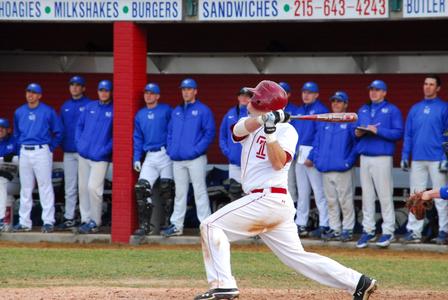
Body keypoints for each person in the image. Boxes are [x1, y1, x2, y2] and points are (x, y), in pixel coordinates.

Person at [194, 80, 377, 300]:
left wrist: (271, 132)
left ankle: (223, 285)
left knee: (210, 225)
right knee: (297, 257)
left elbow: (278, 162)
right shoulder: (248, 122)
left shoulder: (288, 131)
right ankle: (358, 281)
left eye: (254, 97)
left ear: (263, 101)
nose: (249, 100)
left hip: (268, 198)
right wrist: (265, 120)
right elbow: (238, 130)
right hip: (267, 202)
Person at [162, 78, 215, 237]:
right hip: (177, 158)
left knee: (199, 191)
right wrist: (171, 150)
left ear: (195, 91)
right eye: (183, 89)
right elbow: (170, 132)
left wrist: (195, 150)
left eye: (189, 89)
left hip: (195, 158)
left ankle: (206, 225)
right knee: (180, 193)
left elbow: (209, 133)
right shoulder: (176, 110)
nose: (186, 92)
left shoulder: (203, 110)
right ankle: (177, 225)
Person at [355, 80, 404, 248]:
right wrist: (358, 132)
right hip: (365, 156)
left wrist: (378, 130)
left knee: (384, 195)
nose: (373, 92)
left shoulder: (392, 109)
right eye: (372, 90)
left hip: (382, 156)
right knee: (367, 196)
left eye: (377, 90)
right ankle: (368, 230)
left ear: (384, 92)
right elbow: (355, 130)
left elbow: (398, 133)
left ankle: (388, 230)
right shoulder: (363, 109)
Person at [401, 75, 448, 244]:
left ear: (438, 88)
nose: (427, 87)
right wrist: (405, 155)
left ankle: (444, 231)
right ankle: (414, 231)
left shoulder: (444, 108)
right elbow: (408, 134)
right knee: (416, 196)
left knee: (441, 196)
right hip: (418, 158)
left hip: (437, 158)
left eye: (431, 84)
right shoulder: (415, 108)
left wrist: (445, 157)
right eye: (425, 84)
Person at [13, 83, 63, 233]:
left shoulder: (48, 111)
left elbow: (59, 132)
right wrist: (19, 150)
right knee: (26, 188)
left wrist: (50, 148)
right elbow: (16, 134)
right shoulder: (19, 111)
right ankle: (24, 222)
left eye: (34, 93)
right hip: (25, 151)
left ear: (40, 95)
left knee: (45, 186)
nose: (30, 95)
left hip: (41, 150)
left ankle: (48, 221)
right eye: (28, 91)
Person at [309, 91, 358, 242]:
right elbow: (317, 142)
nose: (336, 104)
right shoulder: (325, 121)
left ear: (345, 104)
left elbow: (356, 144)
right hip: (326, 167)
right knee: (331, 201)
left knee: (345, 200)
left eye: (339, 101)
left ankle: (348, 229)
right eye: (334, 101)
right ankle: (335, 228)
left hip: (342, 168)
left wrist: (348, 161)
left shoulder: (350, 120)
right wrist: (317, 160)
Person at [133, 83, 173, 236]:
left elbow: (173, 130)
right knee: (141, 188)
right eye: (146, 93)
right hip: (149, 155)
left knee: (167, 189)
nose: (148, 96)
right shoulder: (140, 114)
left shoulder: (166, 110)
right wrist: (136, 158)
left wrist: (171, 148)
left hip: (165, 153)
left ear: (157, 96)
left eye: (151, 93)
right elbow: (137, 137)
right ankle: (145, 226)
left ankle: (167, 224)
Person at [75, 80, 113, 234]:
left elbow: (116, 135)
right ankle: (85, 219)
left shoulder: (114, 109)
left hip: (100, 156)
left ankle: (95, 221)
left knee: (93, 188)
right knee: (83, 188)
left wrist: (105, 150)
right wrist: (79, 144)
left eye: (106, 90)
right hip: (84, 154)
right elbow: (79, 126)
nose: (103, 93)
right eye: (101, 90)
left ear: (111, 92)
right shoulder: (90, 107)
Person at [293, 81, 330, 238]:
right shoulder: (299, 110)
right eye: (304, 92)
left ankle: (325, 224)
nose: (306, 95)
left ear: (316, 95)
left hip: (313, 152)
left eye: (310, 92)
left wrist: (313, 156)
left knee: (319, 191)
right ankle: (300, 223)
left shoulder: (321, 110)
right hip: (300, 151)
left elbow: (321, 136)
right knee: (302, 192)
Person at [58, 76, 91, 230]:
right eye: (72, 85)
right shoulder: (65, 106)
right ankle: (69, 217)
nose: (75, 88)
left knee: (84, 186)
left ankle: (86, 218)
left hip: (84, 153)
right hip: (69, 151)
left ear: (83, 88)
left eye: (78, 85)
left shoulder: (90, 105)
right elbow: (61, 129)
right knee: (70, 187)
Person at [219, 87, 250, 200]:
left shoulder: (253, 115)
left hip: (249, 164)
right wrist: (228, 152)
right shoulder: (230, 113)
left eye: (247, 96)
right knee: (234, 194)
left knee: (250, 195)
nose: (244, 98)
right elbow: (222, 135)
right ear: (238, 97)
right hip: (234, 163)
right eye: (242, 95)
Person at [278, 81, 299, 205]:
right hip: (272, 153)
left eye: (283, 92)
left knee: (290, 184)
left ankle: (293, 212)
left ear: (289, 95)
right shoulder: (270, 109)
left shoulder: (295, 110)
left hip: (288, 153)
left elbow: (297, 133)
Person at [0, 118, 17, 231]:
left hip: (16, 180)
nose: (0, 130)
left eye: (2, 128)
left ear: (9, 130)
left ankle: (1, 220)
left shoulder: (14, 141)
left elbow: (23, 159)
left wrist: (13, 158)